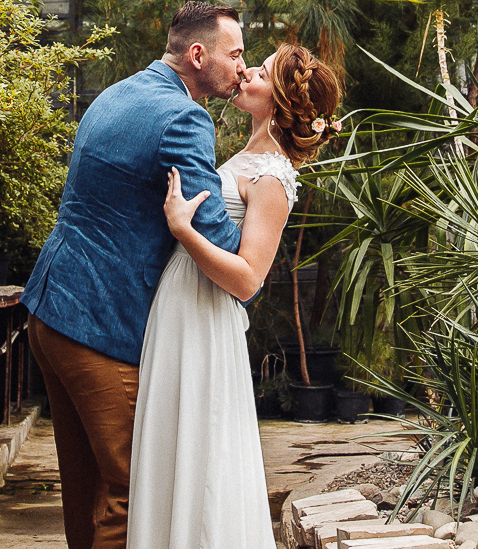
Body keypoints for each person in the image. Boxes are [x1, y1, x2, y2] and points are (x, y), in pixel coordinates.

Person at [22, 0, 250, 549]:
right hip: (100, 328)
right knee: (133, 493)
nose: (243, 67)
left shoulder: (116, 93)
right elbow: (215, 234)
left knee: (85, 492)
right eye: (235, 54)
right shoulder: (184, 117)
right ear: (198, 55)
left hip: (50, 311)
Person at [127, 41, 343, 549]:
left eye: (261, 71)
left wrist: (185, 231)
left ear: (282, 101)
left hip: (205, 318)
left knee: (202, 457)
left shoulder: (273, 178)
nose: (246, 72)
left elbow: (248, 278)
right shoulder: (246, 157)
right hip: (178, 309)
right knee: (167, 448)